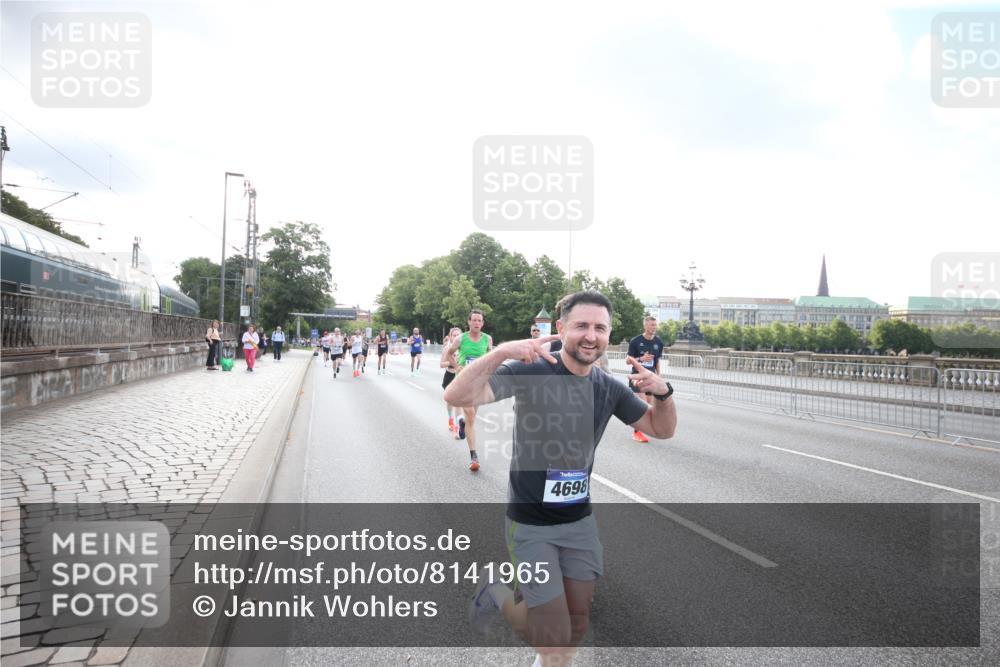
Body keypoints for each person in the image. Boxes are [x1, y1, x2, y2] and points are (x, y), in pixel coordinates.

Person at [444, 291, 677, 667]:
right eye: (582, 325)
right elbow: (455, 393)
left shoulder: (608, 387)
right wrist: (502, 351)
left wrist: (664, 393)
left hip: (579, 523)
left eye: (600, 328)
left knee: (572, 632)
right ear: (561, 328)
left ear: (609, 334)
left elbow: (660, 429)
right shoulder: (533, 370)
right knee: (556, 642)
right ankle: (498, 595)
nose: (591, 335)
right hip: (531, 523)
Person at [451, 310, 493, 472]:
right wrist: (456, 367)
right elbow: (448, 355)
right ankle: (473, 456)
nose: (476, 323)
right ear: (468, 322)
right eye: (474, 320)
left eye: (479, 321)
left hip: (479, 383)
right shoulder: (460, 338)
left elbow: (490, 356)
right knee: (470, 416)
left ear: (482, 323)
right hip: (463, 382)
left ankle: (461, 423)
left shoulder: (487, 339)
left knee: (471, 419)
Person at [626, 315, 665, 443]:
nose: (654, 327)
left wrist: (658, 376)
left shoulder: (658, 342)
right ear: (645, 326)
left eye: (655, 325)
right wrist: (640, 359)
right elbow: (628, 360)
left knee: (650, 405)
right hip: (637, 377)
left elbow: (657, 360)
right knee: (642, 406)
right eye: (651, 325)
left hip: (651, 378)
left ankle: (643, 430)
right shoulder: (636, 341)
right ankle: (637, 433)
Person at [440, 327, 463, 434]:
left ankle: (458, 426)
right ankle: (450, 419)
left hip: (460, 376)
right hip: (449, 376)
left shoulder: (464, 348)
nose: (456, 337)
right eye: (454, 335)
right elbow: (441, 364)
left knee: (458, 402)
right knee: (450, 402)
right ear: (450, 337)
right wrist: (453, 362)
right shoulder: (447, 349)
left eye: (458, 335)